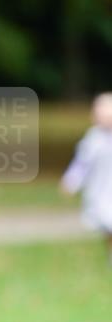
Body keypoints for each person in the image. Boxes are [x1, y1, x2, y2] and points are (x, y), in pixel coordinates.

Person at [61, 93, 112, 263]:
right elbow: (81, 164)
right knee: (106, 223)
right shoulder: (93, 139)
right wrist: (71, 181)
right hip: (100, 189)